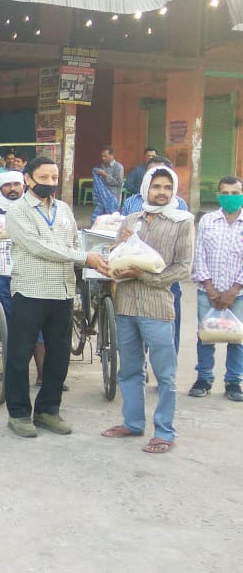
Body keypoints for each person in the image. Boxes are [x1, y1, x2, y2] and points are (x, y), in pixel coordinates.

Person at [4, 157, 109, 438]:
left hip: (62, 292)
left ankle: (48, 410)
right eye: (43, 178)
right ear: (28, 179)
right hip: (30, 291)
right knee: (19, 355)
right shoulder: (17, 211)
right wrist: (84, 257)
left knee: (59, 355)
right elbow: (38, 247)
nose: (50, 183)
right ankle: (19, 414)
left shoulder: (63, 208)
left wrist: (81, 255)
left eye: (54, 178)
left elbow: (74, 241)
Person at [101, 166, 193, 454]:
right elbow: (115, 258)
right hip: (126, 305)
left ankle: (164, 432)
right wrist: (121, 243)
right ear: (145, 189)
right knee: (129, 369)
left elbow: (183, 268)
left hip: (158, 307)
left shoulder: (182, 222)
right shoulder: (131, 219)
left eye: (167, 187)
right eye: (157, 187)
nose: (162, 192)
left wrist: (144, 276)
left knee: (165, 374)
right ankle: (132, 423)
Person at [0, 171, 55, 389]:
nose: (13, 188)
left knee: (38, 322)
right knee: (11, 322)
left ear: (23, 186)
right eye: (8, 185)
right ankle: (12, 370)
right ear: (1, 188)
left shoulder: (33, 209)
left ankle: (44, 373)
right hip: (4, 274)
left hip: (33, 272)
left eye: (17, 184)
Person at [122, 155, 188, 350]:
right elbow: (121, 238)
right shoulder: (131, 205)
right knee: (134, 340)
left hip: (166, 281)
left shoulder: (180, 207)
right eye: (155, 183)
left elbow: (183, 258)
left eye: (167, 186)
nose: (161, 191)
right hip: (133, 282)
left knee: (167, 340)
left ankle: (169, 365)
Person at [188, 175, 243, 401]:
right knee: (206, 336)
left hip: (239, 294)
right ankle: (204, 378)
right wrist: (210, 288)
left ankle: (234, 382)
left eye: (235, 193)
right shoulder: (208, 221)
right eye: (225, 193)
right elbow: (199, 255)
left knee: (237, 338)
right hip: (207, 292)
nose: (230, 197)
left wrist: (233, 291)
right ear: (218, 195)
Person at [91, 145, 125, 223]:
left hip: (113, 199)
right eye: (102, 156)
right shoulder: (101, 166)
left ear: (112, 155)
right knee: (98, 220)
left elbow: (118, 182)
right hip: (101, 200)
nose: (103, 158)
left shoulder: (118, 167)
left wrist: (105, 175)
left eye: (105, 156)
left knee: (111, 221)